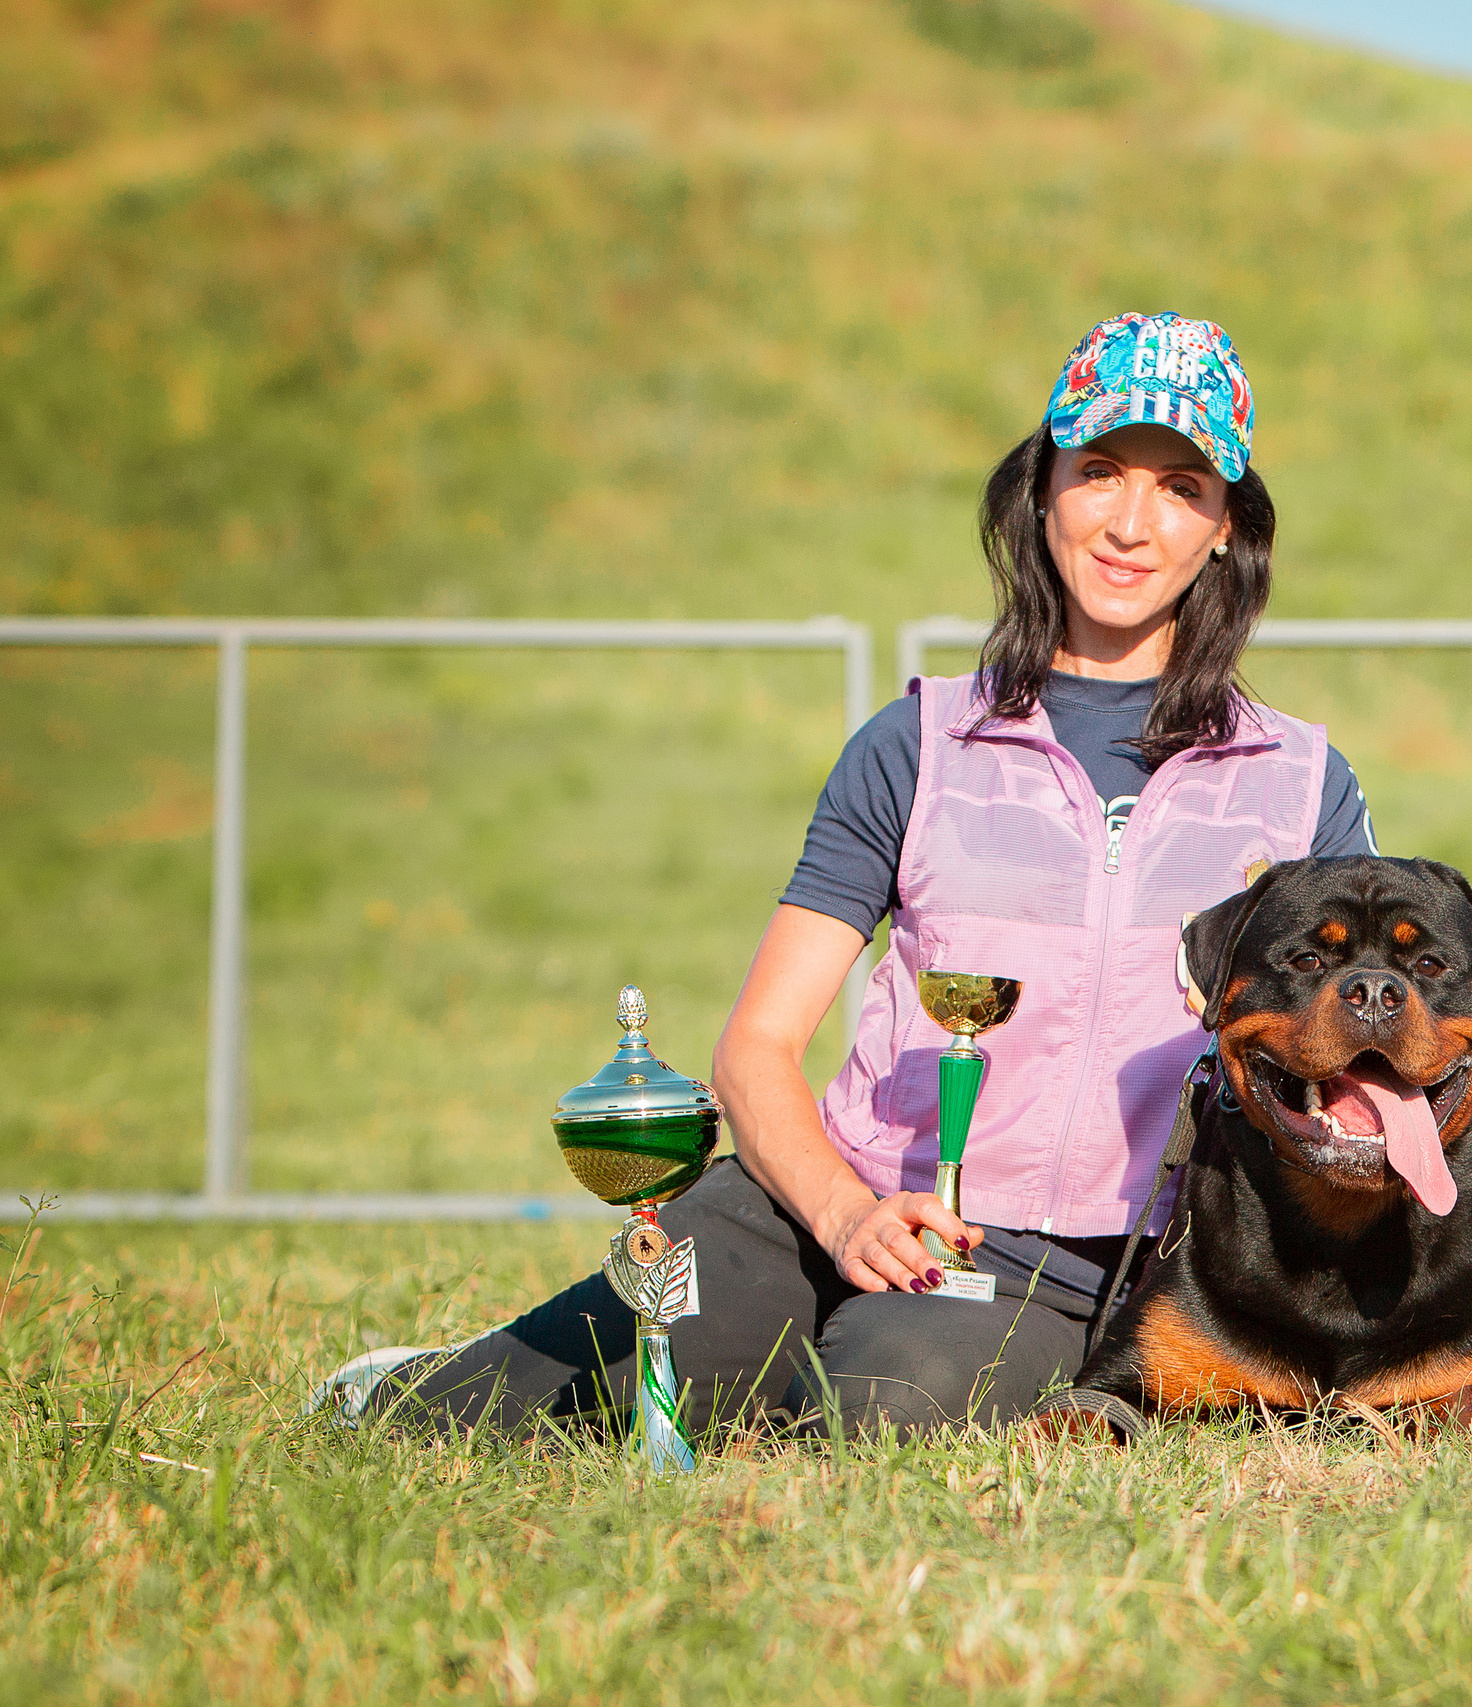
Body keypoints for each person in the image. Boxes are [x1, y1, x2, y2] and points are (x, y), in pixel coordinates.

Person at [316, 312, 1379, 1440]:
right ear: (1043, 490)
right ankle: (415, 1383)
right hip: (817, 1205)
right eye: (1100, 472)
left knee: (878, 1415)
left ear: (1224, 528)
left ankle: (809, 1375)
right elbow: (756, 1047)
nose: (1129, 523)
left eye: (1180, 488)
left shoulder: (1301, 784)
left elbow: (1356, 1074)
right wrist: (842, 1214)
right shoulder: (916, 744)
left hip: (1054, 1272)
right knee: (529, 1403)